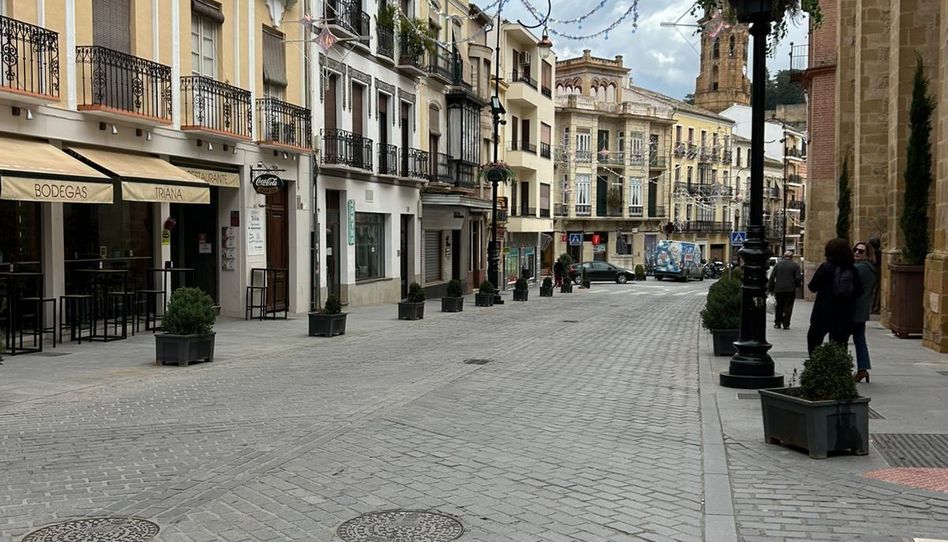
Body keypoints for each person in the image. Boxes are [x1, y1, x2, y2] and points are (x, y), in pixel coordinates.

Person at [807, 238, 863, 355]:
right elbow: (859, 291)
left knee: (814, 340)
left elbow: (812, 287)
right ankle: (839, 365)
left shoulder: (825, 267)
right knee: (840, 344)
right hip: (844, 314)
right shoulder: (851, 269)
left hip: (823, 312)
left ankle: (816, 363)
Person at [852, 241, 877, 383]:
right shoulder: (869, 268)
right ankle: (863, 369)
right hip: (861, 309)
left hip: (854, 309)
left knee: (841, 338)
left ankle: (858, 369)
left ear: (867, 254)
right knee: (859, 338)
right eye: (855, 249)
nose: (857, 252)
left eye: (861, 251)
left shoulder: (860, 268)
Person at [768, 250, 803, 330]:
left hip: (779, 289)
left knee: (779, 306)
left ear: (784, 256)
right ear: (791, 257)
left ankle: (777, 323)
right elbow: (798, 278)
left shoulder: (778, 265)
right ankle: (786, 323)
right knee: (788, 307)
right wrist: (797, 285)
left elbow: (772, 277)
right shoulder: (795, 266)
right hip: (790, 289)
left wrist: (770, 288)